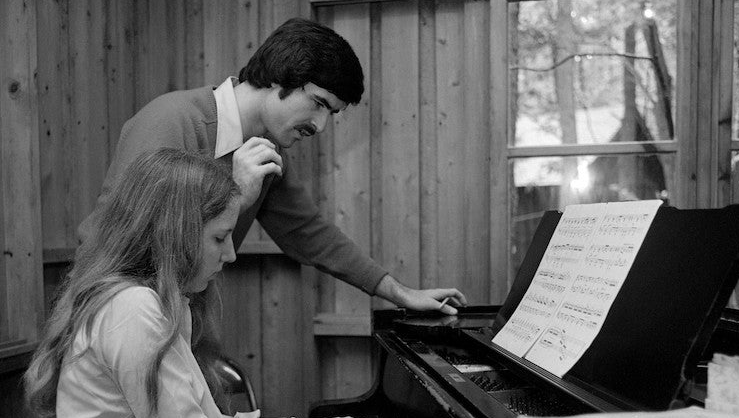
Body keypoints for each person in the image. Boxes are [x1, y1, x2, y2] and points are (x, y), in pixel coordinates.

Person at [25, 148, 391, 418]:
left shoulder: (153, 303)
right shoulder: (133, 309)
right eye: (219, 238)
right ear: (174, 234)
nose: (230, 254)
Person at [77, 17, 466, 315]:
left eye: (332, 113)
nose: (320, 126)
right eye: (318, 103)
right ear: (281, 77)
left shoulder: (265, 151)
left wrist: (400, 293)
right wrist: (235, 197)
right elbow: (123, 247)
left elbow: (309, 234)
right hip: (115, 326)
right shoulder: (170, 121)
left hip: (179, 325)